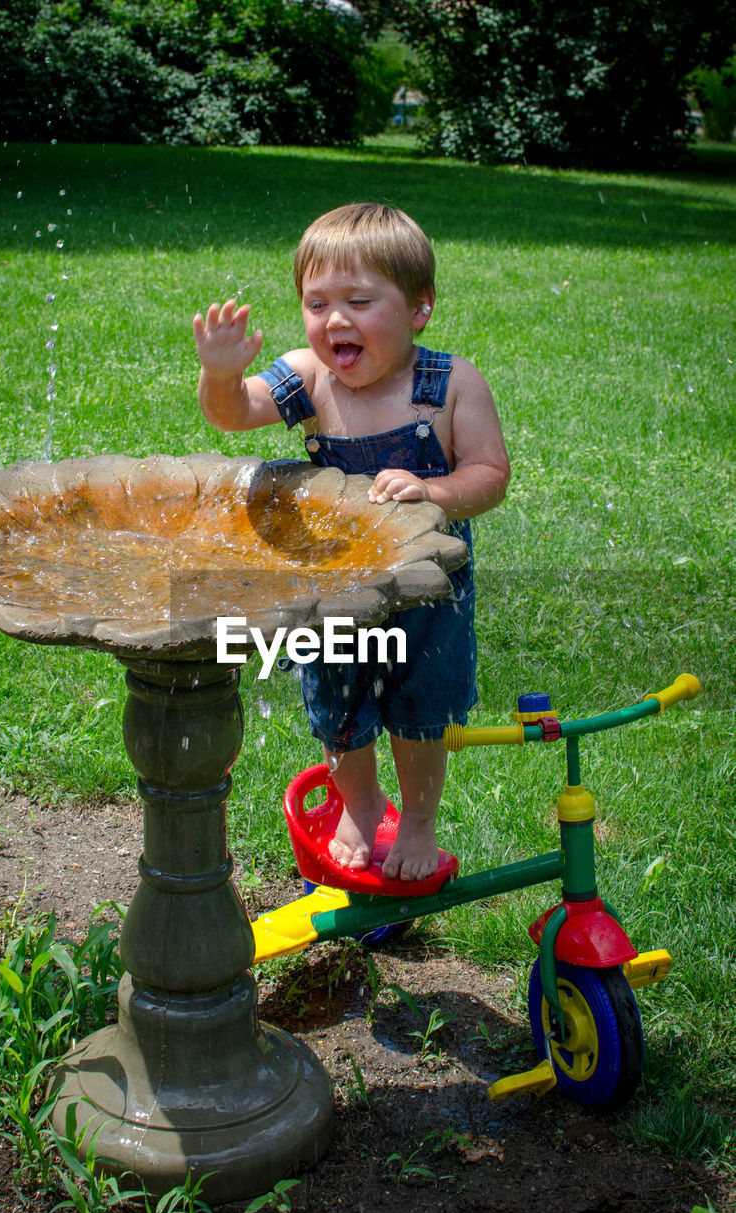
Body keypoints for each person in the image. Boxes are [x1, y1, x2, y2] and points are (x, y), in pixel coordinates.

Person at [193, 203, 509, 881]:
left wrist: (435, 492)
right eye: (317, 302)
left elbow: (489, 476)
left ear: (418, 307)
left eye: (359, 301)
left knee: (421, 707)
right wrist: (220, 374)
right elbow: (233, 412)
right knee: (336, 700)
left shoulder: (448, 386)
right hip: (331, 584)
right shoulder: (309, 377)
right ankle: (360, 806)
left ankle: (418, 823)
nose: (335, 319)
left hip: (429, 591)